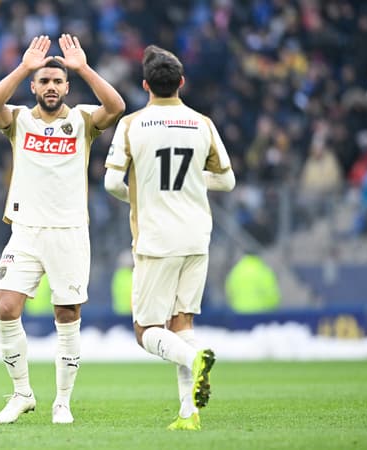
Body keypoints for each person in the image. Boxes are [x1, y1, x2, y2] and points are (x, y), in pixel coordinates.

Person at [0, 34, 125, 425]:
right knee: (6, 307)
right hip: (25, 230)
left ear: (66, 87)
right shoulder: (19, 120)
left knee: (66, 313)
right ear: (34, 86)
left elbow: (116, 106)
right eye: (43, 81)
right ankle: (22, 393)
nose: (50, 87)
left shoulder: (81, 120)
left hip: (69, 230)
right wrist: (24, 65)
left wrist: (83, 68)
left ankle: (62, 401)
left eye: (57, 81)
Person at [103, 45, 235, 431]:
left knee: (147, 332)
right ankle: (187, 413)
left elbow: (112, 181)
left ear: (145, 85)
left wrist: (141, 192)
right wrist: (194, 184)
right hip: (196, 236)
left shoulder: (132, 124)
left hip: (156, 239)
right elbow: (227, 180)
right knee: (182, 324)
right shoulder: (202, 123)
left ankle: (196, 360)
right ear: (181, 83)